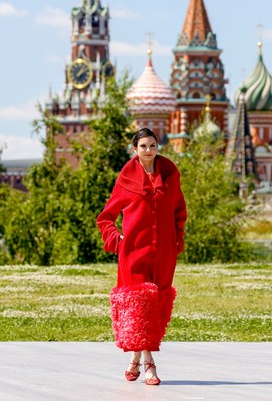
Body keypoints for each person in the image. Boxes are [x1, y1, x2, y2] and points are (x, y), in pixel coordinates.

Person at [97, 127, 187, 386]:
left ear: (158, 147)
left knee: (154, 309)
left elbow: (179, 211)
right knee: (139, 308)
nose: (148, 150)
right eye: (143, 146)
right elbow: (105, 218)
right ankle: (150, 366)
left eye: (153, 145)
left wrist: (177, 240)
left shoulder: (170, 177)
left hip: (164, 254)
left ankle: (134, 361)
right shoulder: (126, 181)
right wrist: (117, 240)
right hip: (134, 254)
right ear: (134, 150)